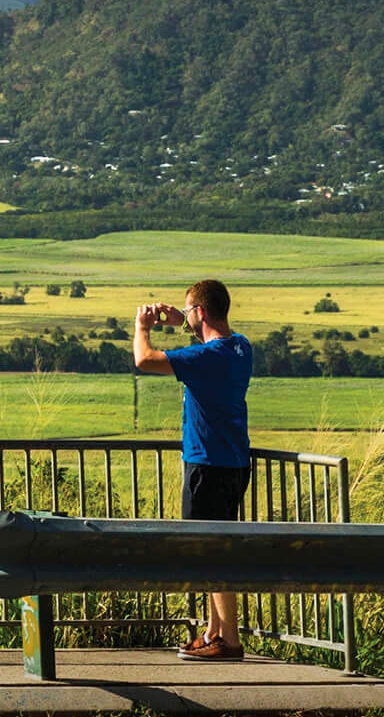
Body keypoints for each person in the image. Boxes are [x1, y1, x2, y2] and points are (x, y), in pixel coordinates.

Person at [134, 278, 253, 662]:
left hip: (207, 465)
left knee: (212, 554)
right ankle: (213, 631)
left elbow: (144, 360)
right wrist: (183, 319)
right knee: (214, 549)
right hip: (234, 463)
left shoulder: (206, 358)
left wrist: (144, 328)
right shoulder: (240, 347)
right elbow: (206, 340)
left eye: (189, 312)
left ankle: (229, 641)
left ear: (200, 312)